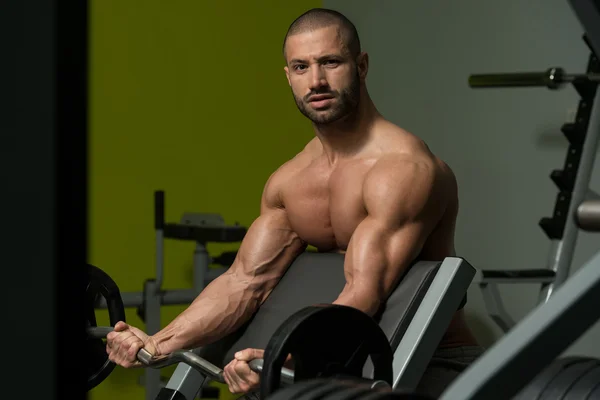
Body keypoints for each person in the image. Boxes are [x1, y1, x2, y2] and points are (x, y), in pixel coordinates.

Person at [106, 7, 484, 399]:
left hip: (431, 366)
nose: (316, 81)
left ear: (362, 65)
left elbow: (365, 292)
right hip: (342, 366)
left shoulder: (404, 170)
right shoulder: (291, 180)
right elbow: (245, 281)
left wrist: (283, 357)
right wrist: (158, 343)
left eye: (331, 63)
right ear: (288, 76)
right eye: (301, 67)